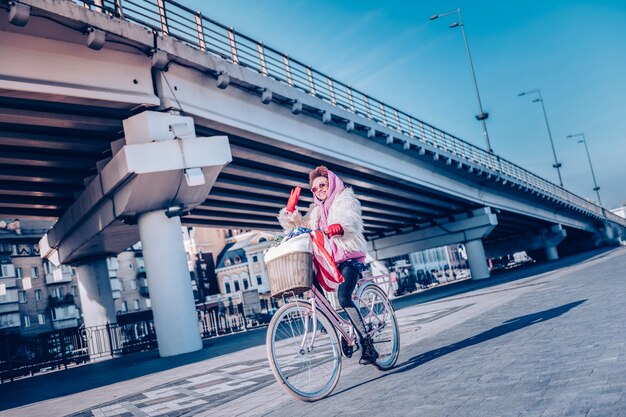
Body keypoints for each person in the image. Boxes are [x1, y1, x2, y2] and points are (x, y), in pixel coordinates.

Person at [277, 165, 378, 365]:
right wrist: (290, 213)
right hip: (329, 260)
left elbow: (352, 221)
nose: (319, 190)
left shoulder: (344, 198)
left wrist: (340, 227)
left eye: (322, 185)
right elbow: (302, 228)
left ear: (330, 183)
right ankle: (336, 326)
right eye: (314, 189)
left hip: (349, 257)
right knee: (312, 285)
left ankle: (367, 343)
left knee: (343, 297)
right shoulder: (315, 210)